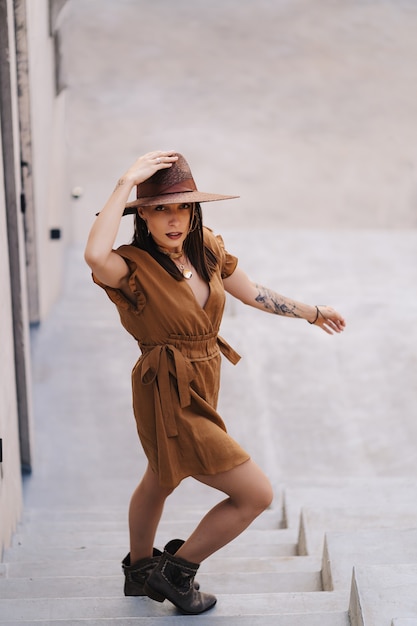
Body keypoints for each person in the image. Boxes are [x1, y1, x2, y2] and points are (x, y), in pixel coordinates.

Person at [84, 150, 345, 615]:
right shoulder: (130, 268)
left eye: (182, 206)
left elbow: (254, 292)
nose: (174, 219)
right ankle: (176, 573)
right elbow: (93, 254)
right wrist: (126, 180)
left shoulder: (204, 247)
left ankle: (140, 572)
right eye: (160, 207)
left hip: (203, 380)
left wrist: (312, 312)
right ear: (142, 213)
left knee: (160, 478)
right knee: (255, 494)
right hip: (165, 389)